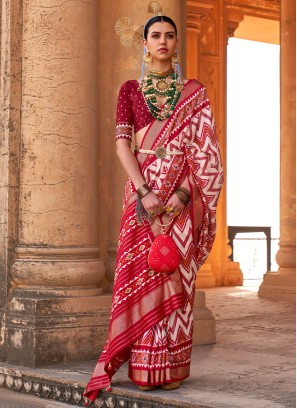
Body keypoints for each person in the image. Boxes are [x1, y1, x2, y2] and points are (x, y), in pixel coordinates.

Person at [84, 14, 223, 406]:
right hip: (142, 200)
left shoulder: (194, 93)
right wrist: (145, 191)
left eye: (169, 36)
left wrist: (181, 195)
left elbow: (207, 154)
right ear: (143, 43)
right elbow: (122, 147)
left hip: (182, 197)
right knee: (141, 274)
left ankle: (173, 366)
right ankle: (145, 367)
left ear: (177, 44)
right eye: (155, 36)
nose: (162, 41)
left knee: (176, 276)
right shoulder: (129, 90)